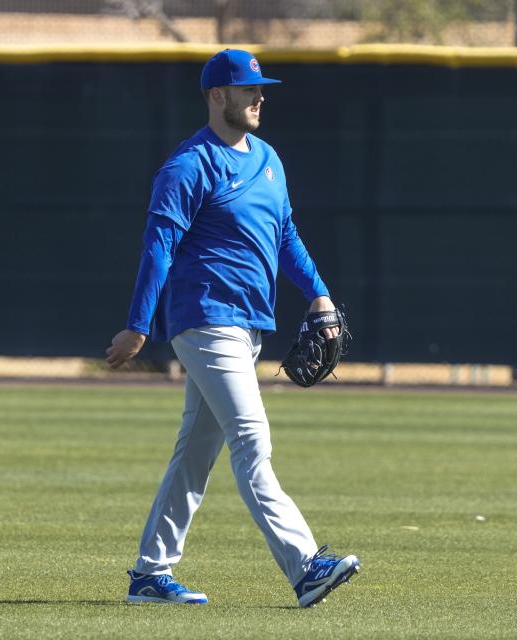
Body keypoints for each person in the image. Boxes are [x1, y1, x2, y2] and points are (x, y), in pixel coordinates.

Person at [105, 49, 360, 608]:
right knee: (252, 440)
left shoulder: (267, 157)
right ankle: (307, 565)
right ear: (217, 96)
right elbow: (159, 246)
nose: (259, 98)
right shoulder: (188, 166)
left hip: (249, 325)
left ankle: (150, 574)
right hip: (205, 320)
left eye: (260, 89)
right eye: (248, 90)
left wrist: (317, 292)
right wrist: (137, 325)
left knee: (195, 454)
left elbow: (285, 233)